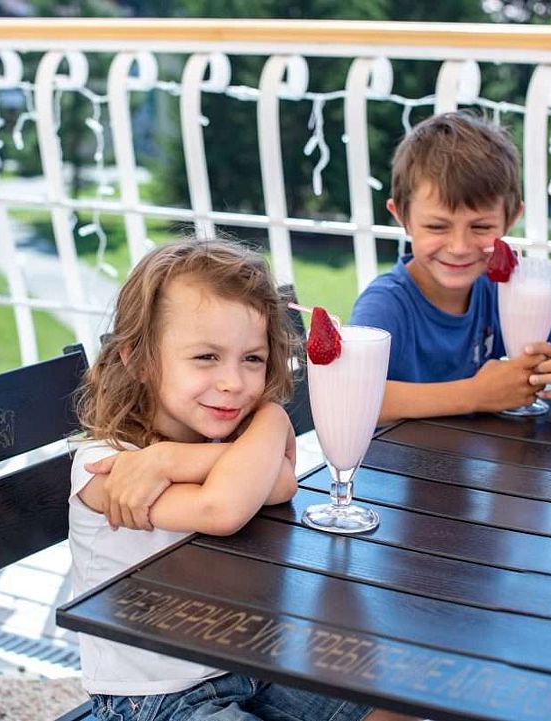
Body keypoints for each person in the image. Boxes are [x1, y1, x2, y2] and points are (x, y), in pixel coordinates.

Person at [70, 240, 415, 721]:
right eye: (206, 357)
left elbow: (280, 483)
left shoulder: (220, 439)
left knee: (397, 704)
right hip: (158, 697)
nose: (233, 382)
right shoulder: (108, 466)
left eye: (252, 359)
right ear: (140, 360)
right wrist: (273, 420)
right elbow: (223, 508)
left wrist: (173, 458)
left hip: (251, 666)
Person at [350, 112, 551, 422]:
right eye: (437, 226)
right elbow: (350, 396)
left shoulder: (500, 293)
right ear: (402, 217)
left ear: (511, 218)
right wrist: (476, 395)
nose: (459, 247)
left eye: (480, 227)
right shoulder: (386, 305)